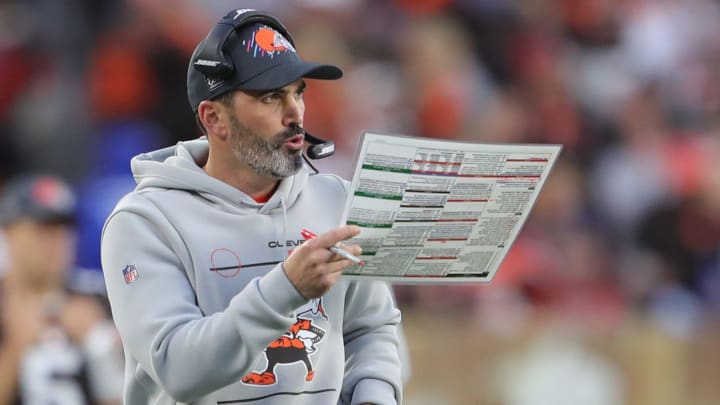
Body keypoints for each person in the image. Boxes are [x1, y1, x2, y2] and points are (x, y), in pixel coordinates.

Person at [100, 8, 403, 405]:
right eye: (271, 97)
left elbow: (371, 327)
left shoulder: (336, 200)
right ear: (214, 119)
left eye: (298, 92)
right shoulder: (144, 223)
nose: (295, 112)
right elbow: (178, 368)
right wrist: (286, 289)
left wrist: (374, 396)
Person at [0, 174, 124, 405]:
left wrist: (98, 344)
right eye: (43, 229)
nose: (57, 242)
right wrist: (17, 346)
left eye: (64, 229)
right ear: (9, 233)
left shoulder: (100, 297)